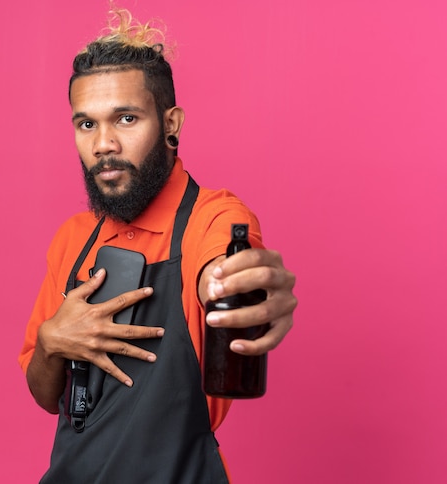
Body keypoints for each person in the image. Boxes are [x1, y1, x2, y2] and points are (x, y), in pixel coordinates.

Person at [19, 6, 297, 483]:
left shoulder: (213, 217)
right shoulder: (71, 239)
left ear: (171, 124)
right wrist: (50, 343)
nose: (103, 143)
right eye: (86, 125)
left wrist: (241, 286)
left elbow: (230, 266)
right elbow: (46, 395)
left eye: (125, 118)